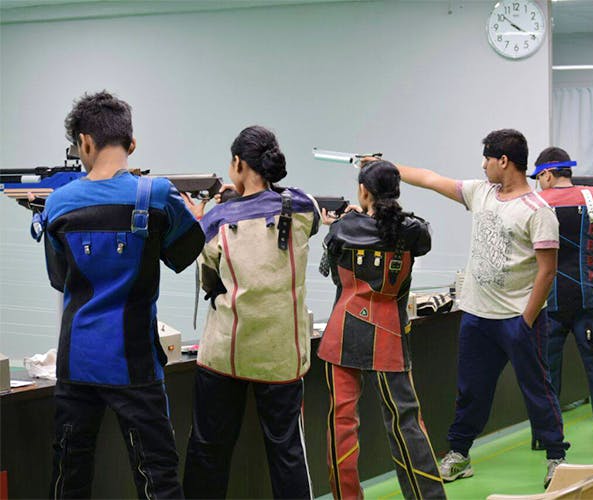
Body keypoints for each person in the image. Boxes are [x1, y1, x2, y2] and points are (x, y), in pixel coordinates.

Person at [381, 129, 568, 488]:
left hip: (518, 319)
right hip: (477, 317)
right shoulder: (480, 193)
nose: (482, 166)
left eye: (487, 159)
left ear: (504, 161)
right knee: (470, 391)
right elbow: (431, 179)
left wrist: (525, 320)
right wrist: (388, 167)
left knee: (537, 390)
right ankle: (460, 454)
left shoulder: (538, 211)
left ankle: (556, 457)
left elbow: (547, 271)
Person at [40, 91, 204, 498]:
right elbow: (185, 253)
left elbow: (60, 279)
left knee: (69, 476)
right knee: (158, 478)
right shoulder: (157, 196)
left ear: (85, 144)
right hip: (134, 363)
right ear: (131, 144)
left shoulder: (57, 205)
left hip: (75, 361)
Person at [181, 126, 317, 499]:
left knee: (209, 450)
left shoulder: (216, 221)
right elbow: (308, 214)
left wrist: (208, 215)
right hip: (282, 356)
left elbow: (210, 279)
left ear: (239, 164)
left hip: (227, 352)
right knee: (287, 452)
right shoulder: (303, 207)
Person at [317, 160, 446, 500]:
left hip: (341, 332)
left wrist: (346, 219)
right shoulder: (413, 231)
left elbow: (333, 275)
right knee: (406, 423)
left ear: (363, 191)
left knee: (341, 423)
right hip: (389, 334)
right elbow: (418, 236)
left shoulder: (342, 229)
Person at [533, 147, 593, 455]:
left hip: (549, 299)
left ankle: (545, 438)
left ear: (547, 173)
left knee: (544, 372)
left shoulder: (535, 203)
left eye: (539, 178)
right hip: (591, 294)